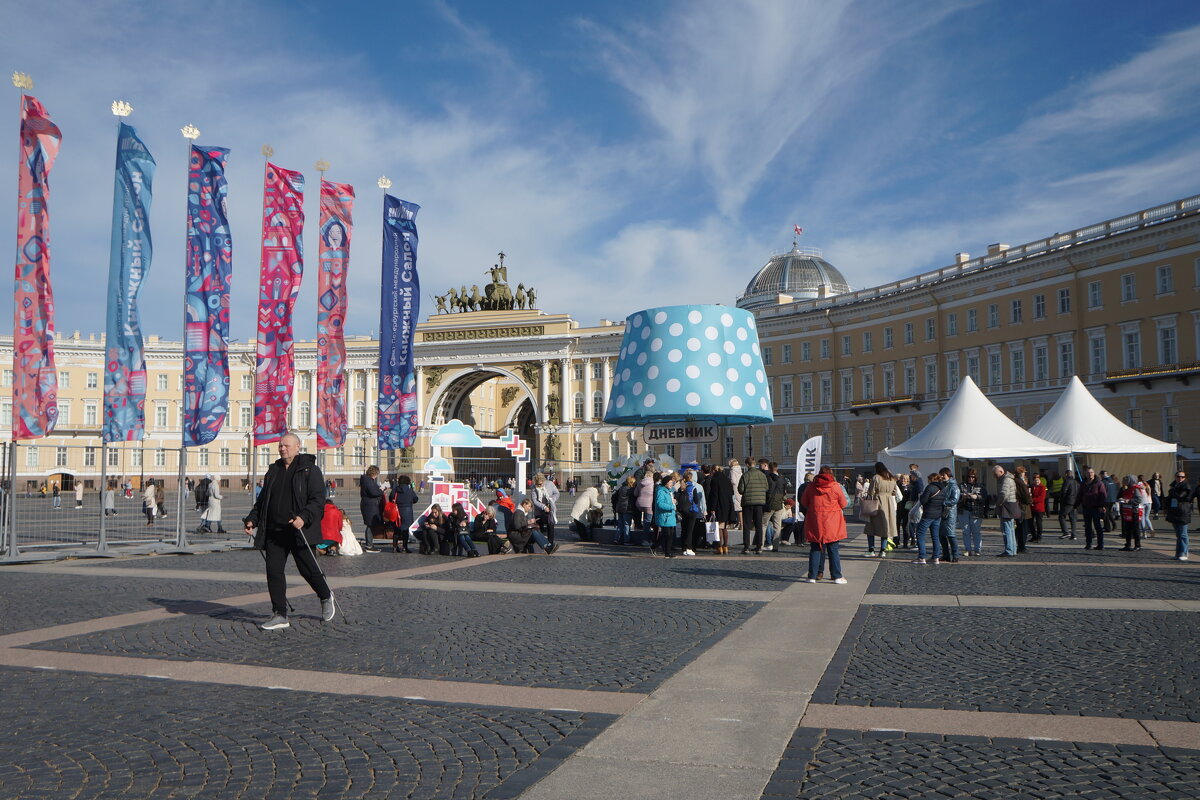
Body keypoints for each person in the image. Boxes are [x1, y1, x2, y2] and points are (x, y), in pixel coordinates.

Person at [243, 432, 335, 631]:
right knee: (273, 572)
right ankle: (280, 614)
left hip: (299, 529)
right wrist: (252, 519)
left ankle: (326, 595)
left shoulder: (310, 470)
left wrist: (304, 517)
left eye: (286, 445)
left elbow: (318, 501)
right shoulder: (273, 471)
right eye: (280, 445)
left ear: (297, 447)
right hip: (275, 531)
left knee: (308, 570)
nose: (282, 448)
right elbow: (263, 502)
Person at [801, 467, 849, 584]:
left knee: (815, 549)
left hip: (815, 521)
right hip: (832, 521)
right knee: (833, 549)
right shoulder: (835, 486)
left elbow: (804, 502)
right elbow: (844, 503)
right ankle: (836, 576)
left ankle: (812, 576)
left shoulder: (811, 486)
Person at [863, 462, 898, 558]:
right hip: (889, 503)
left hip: (877, 503)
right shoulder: (892, 478)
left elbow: (871, 491)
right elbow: (894, 492)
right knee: (885, 528)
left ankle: (871, 549)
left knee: (870, 528)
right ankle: (883, 550)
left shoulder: (876, 477)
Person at [912, 473, 946, 565]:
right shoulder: (943, 489)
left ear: (931, 480)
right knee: (935, 536)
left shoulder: (930, 487)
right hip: (938, 515)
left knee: (920, 534)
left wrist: (922, 496)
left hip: (928, 514)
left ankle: (922, 557)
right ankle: (936, 557)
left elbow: (923, 501)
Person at [737, 459, 770, 554]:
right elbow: (766, 488)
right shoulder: (762, 475)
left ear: (747, 464)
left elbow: (741, 490)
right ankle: (759, 546)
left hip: (748, 503)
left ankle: (746, 547)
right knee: (758, 525)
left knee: (747, 526)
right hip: (759, 503)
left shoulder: (746, 475)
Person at [1165, 470, 1194, 561]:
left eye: (1182, 477)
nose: (1180, 478)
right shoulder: (1174, 486)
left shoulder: (1186, 486)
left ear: (1185, 478)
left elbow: (1180, 496)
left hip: (1183, 512)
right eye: (1178, 476)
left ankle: (1184, 553)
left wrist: (1172, 493)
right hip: (1175, 511)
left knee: (1183, 534)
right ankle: (1178, 553)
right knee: (1179, 534)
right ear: (1175, 477)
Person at [677, 469, 707, 556]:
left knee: (684, 530)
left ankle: (683, 548)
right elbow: (696, 500)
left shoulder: (681, 487)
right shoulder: (693, 487)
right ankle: (689, 548)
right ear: (691, 477)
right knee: (690, 531)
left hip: (683, 511)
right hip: (692, 511)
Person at [1078, 465, 1108, 550]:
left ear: (1094, 473)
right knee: (1087, 527)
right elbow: (1080, 495)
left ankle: (1100, 544)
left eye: (1091, 472)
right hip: (1086, 508)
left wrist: (1102, 506)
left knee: (1097, 526)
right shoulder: (1083, 483)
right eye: (1088, 473)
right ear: (1085, 474)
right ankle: (1088, 543)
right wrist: (1075, 505)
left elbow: (1103, 495)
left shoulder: (1099, 483)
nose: (1090, 474)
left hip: (1096, 508)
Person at [993, 465, 1019, 557]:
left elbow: (1004, 494)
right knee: (1010, 529)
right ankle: (1013, 550)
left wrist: (998, 503)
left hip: (1007, 506)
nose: (995, 477)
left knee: (1007, 529)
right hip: (1011, 505)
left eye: (995, 474)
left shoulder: (1006, 480)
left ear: (1001, 472)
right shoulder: (1009, 479)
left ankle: (1009, 550)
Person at [958, 470, 986, 557]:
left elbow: (985, 498)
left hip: (976, 511)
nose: (971, 478)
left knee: (976, 531)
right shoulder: (961, 485)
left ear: (976, 478)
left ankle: (977, 550)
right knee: (966, 531)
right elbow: (956, 496)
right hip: (964, 510)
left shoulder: (980, 486)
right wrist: (963, 497)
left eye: (973, 477)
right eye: (969, 476)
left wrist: (977, 497)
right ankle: (968, 549)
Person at [1118, 475, 1149, 551]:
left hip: (1134, 511)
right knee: (1127, 529)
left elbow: (1139, 499)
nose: (1124, 482)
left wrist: (1129, 501)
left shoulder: (1135, 489)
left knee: (1135, 529)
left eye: (1126, 480)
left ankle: (1137, 545)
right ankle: (1127, 544)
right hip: (1127, 511)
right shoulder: (1127, 488)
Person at [358, 466, 384, 552]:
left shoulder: (367, 480)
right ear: (374, 473)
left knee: (371, 524)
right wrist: (381, 491)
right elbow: (373, 492)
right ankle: (369, 545)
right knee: (370, 524)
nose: (377, 476)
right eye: (377, 474)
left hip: (369, 504)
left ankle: (370, 544)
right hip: (369, 505)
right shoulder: (368, 481)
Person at [937, 466, 961, 562]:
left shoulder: (953, 486)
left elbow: (954, 500)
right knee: (942, 535)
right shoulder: (943, 485)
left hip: (949, 512)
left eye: (943, 475)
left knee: (950, 535)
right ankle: (946, 555)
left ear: (947, 474)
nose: (942, 477)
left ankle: (955, 555)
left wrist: (943, 502)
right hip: (942, 512)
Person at [654, 473, 680, 558]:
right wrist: (671, 506)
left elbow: (669, 501)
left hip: (670, 516)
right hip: (664, 516)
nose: (672, 484)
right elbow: (659, 504)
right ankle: (666, 553)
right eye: (670, 482)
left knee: (669, 534)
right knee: (667, 534)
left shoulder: (669, 491)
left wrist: (674, 502)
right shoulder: (661, 491)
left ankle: (660, 548)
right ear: (666, 483)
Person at [531, 473, 560, 546]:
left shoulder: (550, 484)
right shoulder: (534, 487)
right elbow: (534, 501)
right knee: (539, 528)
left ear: (544, 481)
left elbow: (557, 493)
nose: (539, 485)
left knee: (551, 525)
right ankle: (540, 544)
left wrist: (552, 499)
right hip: (539, 511)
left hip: (550, 509)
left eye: (541, 484)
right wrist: (543, 507)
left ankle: (550, 543)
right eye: (538, 484)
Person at [611, 475, 637, 546]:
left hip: (619, 508)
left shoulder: (621, 488)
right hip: (627, 509)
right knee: (626, 524)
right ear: (631, 482)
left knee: (620, 524)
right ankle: (626, 540)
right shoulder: (630, 489)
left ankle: (616, 539)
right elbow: (636, 495)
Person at [1058, 470, 1080, 540]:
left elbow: (1064, 492)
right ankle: (1074, 534)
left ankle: (1066, 532)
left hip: (1068, 502)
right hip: (1075, 502)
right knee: (1073, 518)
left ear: (1066, 474)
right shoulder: (1076, 482)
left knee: (1061, 516)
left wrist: (1061, 500)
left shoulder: (1067, 481)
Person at [1030, 475, 1047, 543]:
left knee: (1038, 522)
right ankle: (1033, 536)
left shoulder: (1042, 487)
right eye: (1035, 480)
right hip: (1032, 507)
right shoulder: (1031, 487)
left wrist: (1032, 500)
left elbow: (1041, 498)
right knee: (1031, 523)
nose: (1036, 482)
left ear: (1040, 481)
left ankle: (1039, 536)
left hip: (1039, 508)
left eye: (1037, 480)